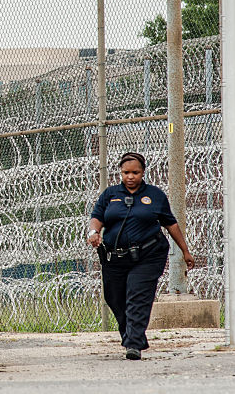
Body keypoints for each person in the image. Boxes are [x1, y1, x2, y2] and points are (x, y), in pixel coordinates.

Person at [86, 151, 195, 360]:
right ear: (120, 172)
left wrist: (185, 250)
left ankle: (133, 343)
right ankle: (133, 335)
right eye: (126, 172)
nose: (130, 176)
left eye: (135, 172)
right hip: (115, 257)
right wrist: (94, 233)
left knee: (137, 295)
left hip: (148, 255)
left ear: (143, 172)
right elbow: (97, 217)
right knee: (115, 298)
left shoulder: (154, 195)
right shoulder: (110, 194)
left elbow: (170, 223)